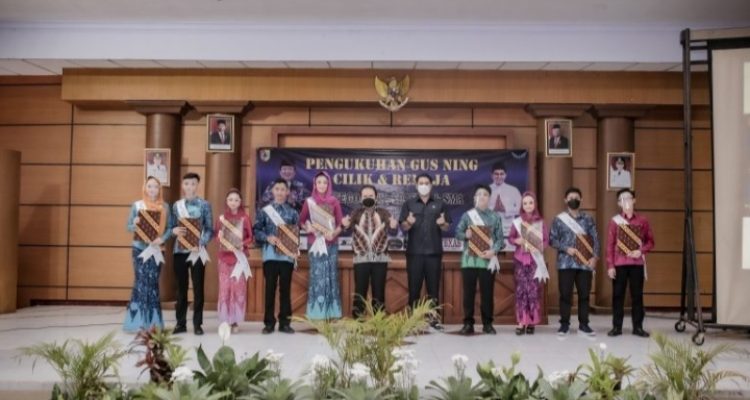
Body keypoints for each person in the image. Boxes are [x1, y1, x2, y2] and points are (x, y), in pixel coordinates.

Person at [399, 173, 452, 330]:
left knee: (433, 289)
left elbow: (447, 227)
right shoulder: (409, 204)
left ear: (431, 185)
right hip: (414, 253)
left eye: (426, 182)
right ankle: (412, 321)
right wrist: (409, 222)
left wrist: (442, 223)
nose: (423, 185)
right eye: (421, 183)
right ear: (416, 186)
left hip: (434, 254)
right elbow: (403, 227)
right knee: (413, 289)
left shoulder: (440, 204)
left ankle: (433, 320)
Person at [341, 184, 399, 318]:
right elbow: (347, 229)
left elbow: (393, 231)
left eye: (371, 196)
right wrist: (344, 225)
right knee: (360, 291)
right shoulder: (356, 213)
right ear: (361, 198)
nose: (368, 198)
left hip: (380, 259)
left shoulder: (384, 213)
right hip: (361, 259)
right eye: (365, 196)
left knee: (379, 292)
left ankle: (379, 322)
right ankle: (358, 322)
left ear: (376, 197)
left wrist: (393, 226)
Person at [124, 176, 173, 332]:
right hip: (139, 249)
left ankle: (153, 323)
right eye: (149, 186)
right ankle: (136, 323)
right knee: (140, 283)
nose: (152, 189)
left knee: (152, 284)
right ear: (145, 188)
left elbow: (170, 228)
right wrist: (135, 223)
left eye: (156, 187)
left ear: (160, 189)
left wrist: (162, 239)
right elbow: (128, 226)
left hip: (157, 250)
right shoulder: (137, 205)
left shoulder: (165, 207)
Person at [550, 187, 600, 337]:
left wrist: (595, 257)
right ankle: (564, 325)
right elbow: (552, 240)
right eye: (570, 197)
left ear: (581, 199)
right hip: (565, 263)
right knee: (565, 295)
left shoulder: (588, 219)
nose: (574, 200)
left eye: (576, 197)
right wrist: (566, 248)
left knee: (584, 295)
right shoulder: (559, 219)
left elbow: (595, 239)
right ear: (565, 200)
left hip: (585, 263)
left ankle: (584, 325)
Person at [454, 184, 503, 335]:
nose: (482, 196)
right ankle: (468, 324)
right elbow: (457, 233)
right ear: (475, 197)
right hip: (469, 260)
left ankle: (487, 324)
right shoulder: (467, 215)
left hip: (487, 261)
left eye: (485, 194)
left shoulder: (495, 217)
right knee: (468, 294)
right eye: (479, 194)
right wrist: (465, 235)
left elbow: (500, 240)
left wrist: (493, 251)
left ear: (489, 198)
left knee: (487, 294)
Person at [606, 188, 654, 338]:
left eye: (628, 198)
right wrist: (610, 266)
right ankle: (617, 327)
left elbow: (650, 242)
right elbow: (610, 245)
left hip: (637, 263)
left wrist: (641, 251)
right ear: (619, 203)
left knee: (637, 296)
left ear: (634, 200)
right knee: (618, 296)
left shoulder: (643, 221)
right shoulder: (614, 221)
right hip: (619, 263)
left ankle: (638, 327)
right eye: (622, 199)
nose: (625, 201)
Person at [253, 178, 300, 334]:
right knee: (270, 289)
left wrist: (295, 249)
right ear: (272, 191)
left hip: (287, 257)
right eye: (277, 189)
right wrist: (267, 237)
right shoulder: (264, 211)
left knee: (285, 290)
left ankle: (285, 323)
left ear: (287, 192)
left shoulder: (293, 212)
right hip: (270, 256)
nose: (280, 192)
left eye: (283, 189)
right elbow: (256, 231)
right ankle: (269, 323)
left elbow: (296, 234)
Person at [171, 172, 214, 335]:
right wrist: (174, 230)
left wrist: (200, 242)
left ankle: (198, 324)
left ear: (197, 185)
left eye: (193, 184)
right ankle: (180, 323)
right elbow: (171, 227)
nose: (190, 187)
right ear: (183, 186)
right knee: (180, 289)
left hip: (197, 252)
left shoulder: (204, 205)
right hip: (180, 251)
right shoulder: (177, 206)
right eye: (187, 184)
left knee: (198, 288)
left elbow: (209, 229)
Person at [299, 171, 344, 320]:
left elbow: (341, 224)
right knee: (317, 278)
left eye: (325, 182)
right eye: (319, 182)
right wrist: (308, 227)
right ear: (315, 184)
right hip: (315, 245)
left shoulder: (334, 201)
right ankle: (317, 316)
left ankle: (332, 315)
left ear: (329, 184)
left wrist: (334, 234)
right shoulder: (309, 201)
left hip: (331, 245)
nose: (322, 185)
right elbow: (301, 221)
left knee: (331, 277)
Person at [508, 191, 549, 335]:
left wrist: (539, 245)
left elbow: (546, 240)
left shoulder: (540, 222)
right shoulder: (517, 222)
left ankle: (531, 322)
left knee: (533, 291)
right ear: (522, 205)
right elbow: (510, 238)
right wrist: (516, 241)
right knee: (521, 291)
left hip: (534, 260)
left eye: (531, 202)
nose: (528, 205)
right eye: (525, 203)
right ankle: (521, 322)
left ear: (535, 204)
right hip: (520, 259)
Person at [214, 188, 253, 333]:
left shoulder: (245, 218)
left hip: (239, 258)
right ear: (226, 201)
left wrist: (242, 244)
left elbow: (250, 237)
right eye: (230, 199)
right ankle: (225, 320)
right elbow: (216, 237)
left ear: (240, 202)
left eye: (236, 200)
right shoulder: (221, 218)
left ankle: (235, 321)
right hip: (224, 258)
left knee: (238, 289)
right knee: (225, 289)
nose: (233, 202)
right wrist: (220, 237)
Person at [488, 162, 522, 248]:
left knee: (508, 253)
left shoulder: (513, 190)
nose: (499, 176)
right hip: (490, 230)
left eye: (501, 174)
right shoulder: (486, 190)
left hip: (508, 230)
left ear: (505, 175)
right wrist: (493, 209)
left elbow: (521, 208)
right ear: (492, 175)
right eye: (496, 174)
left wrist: (505, 209)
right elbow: (479, 209)